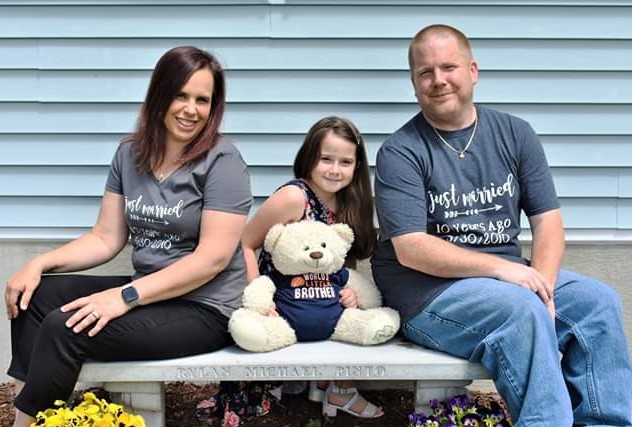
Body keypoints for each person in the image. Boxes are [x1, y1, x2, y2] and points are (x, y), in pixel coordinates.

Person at [371, 24, 632, 427]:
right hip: (428, 294)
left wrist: (542, 285)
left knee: (597, 302)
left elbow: (547, 221)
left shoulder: (514, 133)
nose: (438, 80)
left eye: (449, 67)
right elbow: (412, 248)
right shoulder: (401, 151)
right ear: (414, 83)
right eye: (425, 72)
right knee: (522, 310)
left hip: (507, 284)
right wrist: (506, 271)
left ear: (473, 71)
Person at [4, 46, 252, 427]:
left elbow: (211, 261)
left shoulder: (223, 161)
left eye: (203, 100)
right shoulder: (130, 154)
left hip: (204, 307)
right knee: (34, 296)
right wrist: (38, 263)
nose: (191, 109)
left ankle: (28, 422)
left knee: (64, 326)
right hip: (150, 292)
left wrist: (125, 297)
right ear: (160, 94)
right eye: (181, 95)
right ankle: (39, 412)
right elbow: (106, 238)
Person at [241, 116, 383, 418]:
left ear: (356, 166)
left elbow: (345, 260)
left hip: (323, 296)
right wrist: (259, 302)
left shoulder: (351, 202)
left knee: (357, 317)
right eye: (325, 159)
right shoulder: (294, 198)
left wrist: (350, 293)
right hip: (283, 299)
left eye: (345, 161)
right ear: (309, 159)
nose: (335, 170)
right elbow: (245, 243)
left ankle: (338, 390)